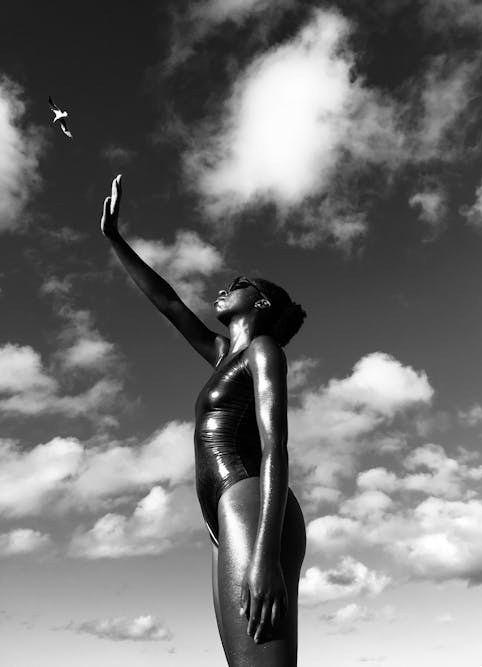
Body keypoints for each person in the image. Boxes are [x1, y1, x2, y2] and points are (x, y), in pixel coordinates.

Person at [101, 175, 307, 667]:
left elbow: (276, 446)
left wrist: (265, 555)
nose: (222, 288)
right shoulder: (222, 355)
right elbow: (170, 304)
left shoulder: (264, 350)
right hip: (220, 516)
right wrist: (114, 238)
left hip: (251, 504)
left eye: (236, 285)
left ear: (259, 303)